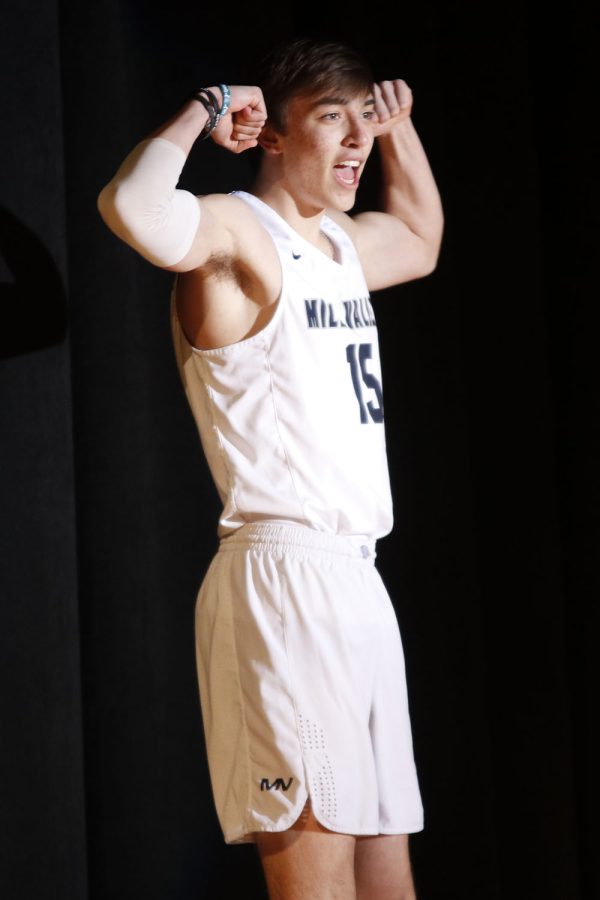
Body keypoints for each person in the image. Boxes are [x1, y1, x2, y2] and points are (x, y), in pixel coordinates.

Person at [97, 36, 444, 900]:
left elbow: (423, 239)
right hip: (282, 577)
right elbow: (135, 208)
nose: (356, 140)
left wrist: (397, 131)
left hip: (358, 580)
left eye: (363, 121)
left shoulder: (340, 247)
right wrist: (206, 107)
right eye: (334, 118)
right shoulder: (237, 232)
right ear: (277, 138)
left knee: (386, 882)